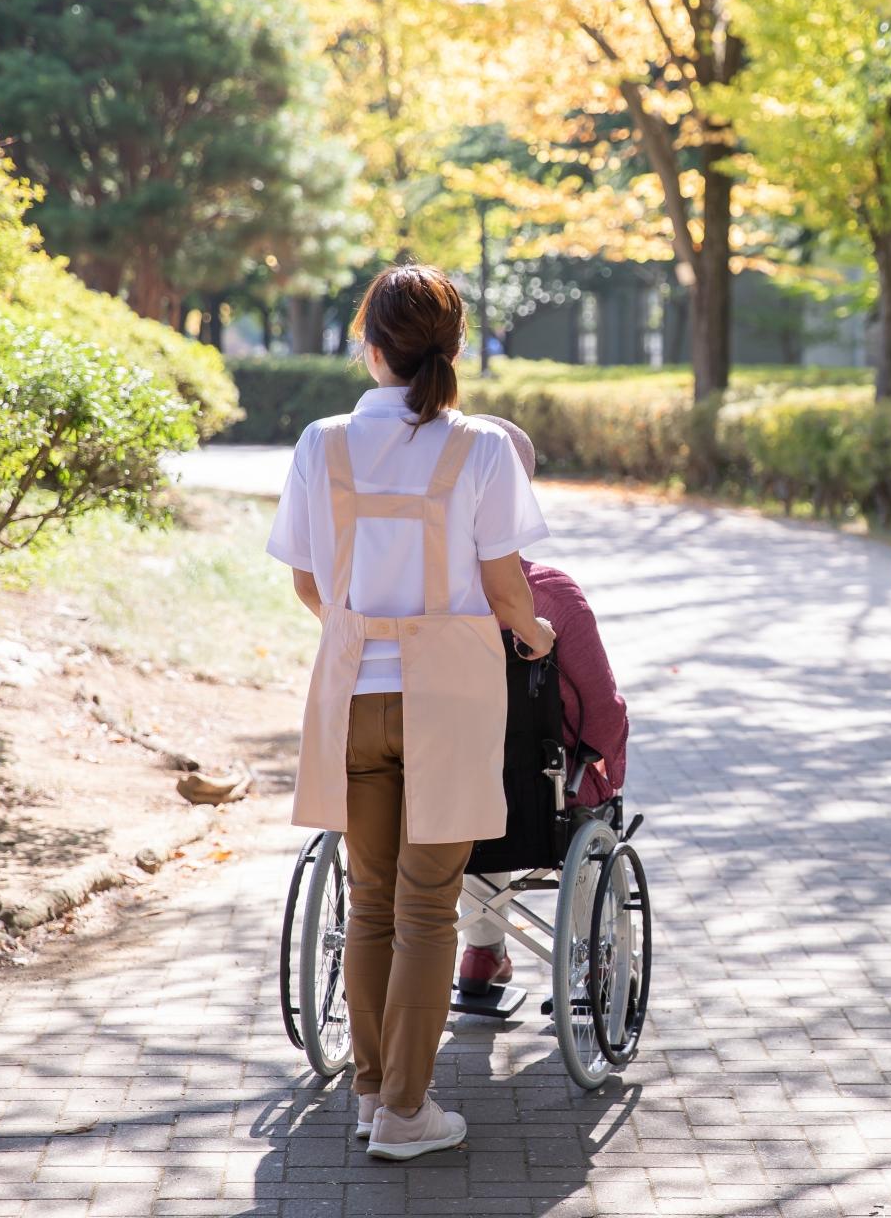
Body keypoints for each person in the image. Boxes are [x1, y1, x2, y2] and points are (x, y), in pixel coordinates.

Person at [267, 264, 553, 1161]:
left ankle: (368, 1095)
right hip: (452, 694)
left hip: (353, 689)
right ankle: (405, 1112)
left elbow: (309, 580)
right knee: (431, 907)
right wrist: (534, 632)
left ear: (371, 344)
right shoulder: (483, 449)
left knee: (373, 902)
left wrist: (362, 630)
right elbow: (507, 584)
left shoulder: (323, 442)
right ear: (454, 348)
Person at [456, 418, 629, 993]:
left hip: (437, 784)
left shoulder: (417, 596)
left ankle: (481, 955)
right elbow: (603, 711)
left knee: (469, 786)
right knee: (569, 798)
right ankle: (589, 960)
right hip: (536, 793)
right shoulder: (552, 595)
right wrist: (606, 765)